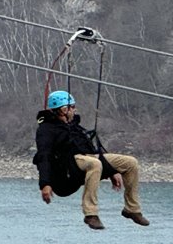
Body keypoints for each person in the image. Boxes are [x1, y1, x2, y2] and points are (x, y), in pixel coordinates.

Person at [34, 90, 150, 230]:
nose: (74, 110)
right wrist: (45, 184)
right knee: (94, 163)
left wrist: (111, 171)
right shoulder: (46, 130)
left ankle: (132, 209)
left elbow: (89, 147)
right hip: (66, 167)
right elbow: (43, 156)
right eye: (72, 107)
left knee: (130, 163)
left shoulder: (74, 126)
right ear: (63, 109)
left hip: (86, 158)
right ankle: (91, 214)